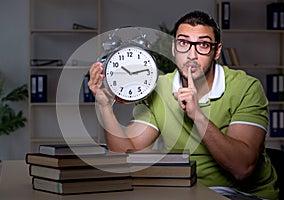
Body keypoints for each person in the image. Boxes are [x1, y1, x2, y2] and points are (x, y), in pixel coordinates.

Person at [88, 10, 279, 200]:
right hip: (184, 191)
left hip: (241, 194)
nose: (191, 54)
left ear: (217, 51)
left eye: (203, 44)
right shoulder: (159, 88)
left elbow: (242, 168)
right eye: (184, 43)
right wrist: (105, 107)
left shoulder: (246, 88)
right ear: (173, 48)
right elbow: (125, 155)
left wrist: (198, 116)